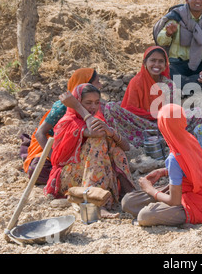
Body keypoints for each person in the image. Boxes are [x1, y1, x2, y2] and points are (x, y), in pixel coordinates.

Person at [121, 103, 202, 226]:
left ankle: (171, 213)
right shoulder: (190, 139)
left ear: (162, 126)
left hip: (195, 204)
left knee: (145, 215)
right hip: (193, 193)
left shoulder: (174, 158)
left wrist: (150, 189)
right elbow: (191, 168)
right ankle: (162, 207)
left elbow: (174, 201)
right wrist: (164, 171)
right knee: (128, 201)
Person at [44, 83, 135, 218]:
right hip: (67, 177)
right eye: (88, 103)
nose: (93, 107)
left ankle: (127, 192)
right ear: (78, 103)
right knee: (98, 141)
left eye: (97, 102)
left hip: (91, 171)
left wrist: (111, 132)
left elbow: (126, 147)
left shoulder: (97, 119)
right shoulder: (68, 121)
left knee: (114, 146)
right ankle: (96, 204)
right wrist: (77, 107)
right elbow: (95, 133)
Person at [104, 46, 202, 148]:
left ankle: (167, 139)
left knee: (197, 112)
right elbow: (130, 110)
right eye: (153, 60)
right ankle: (158, 140)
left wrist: (164, 117)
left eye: (160, 61)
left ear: (165, 65)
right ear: (145, 63)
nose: (156, 64)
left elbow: (172, 111)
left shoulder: (168, 84)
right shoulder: (136, 82)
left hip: (163, 124)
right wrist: (150, 115)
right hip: (141, 124)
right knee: (110, 107)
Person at [20, 68, 102, 184]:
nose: (100, 85)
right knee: (38, 171)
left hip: (76, 145)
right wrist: (54, 159)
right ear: (86, 84)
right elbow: (40, 133)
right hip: (55, 146)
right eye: (97, 82)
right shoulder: (63, 107)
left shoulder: (95, 105)